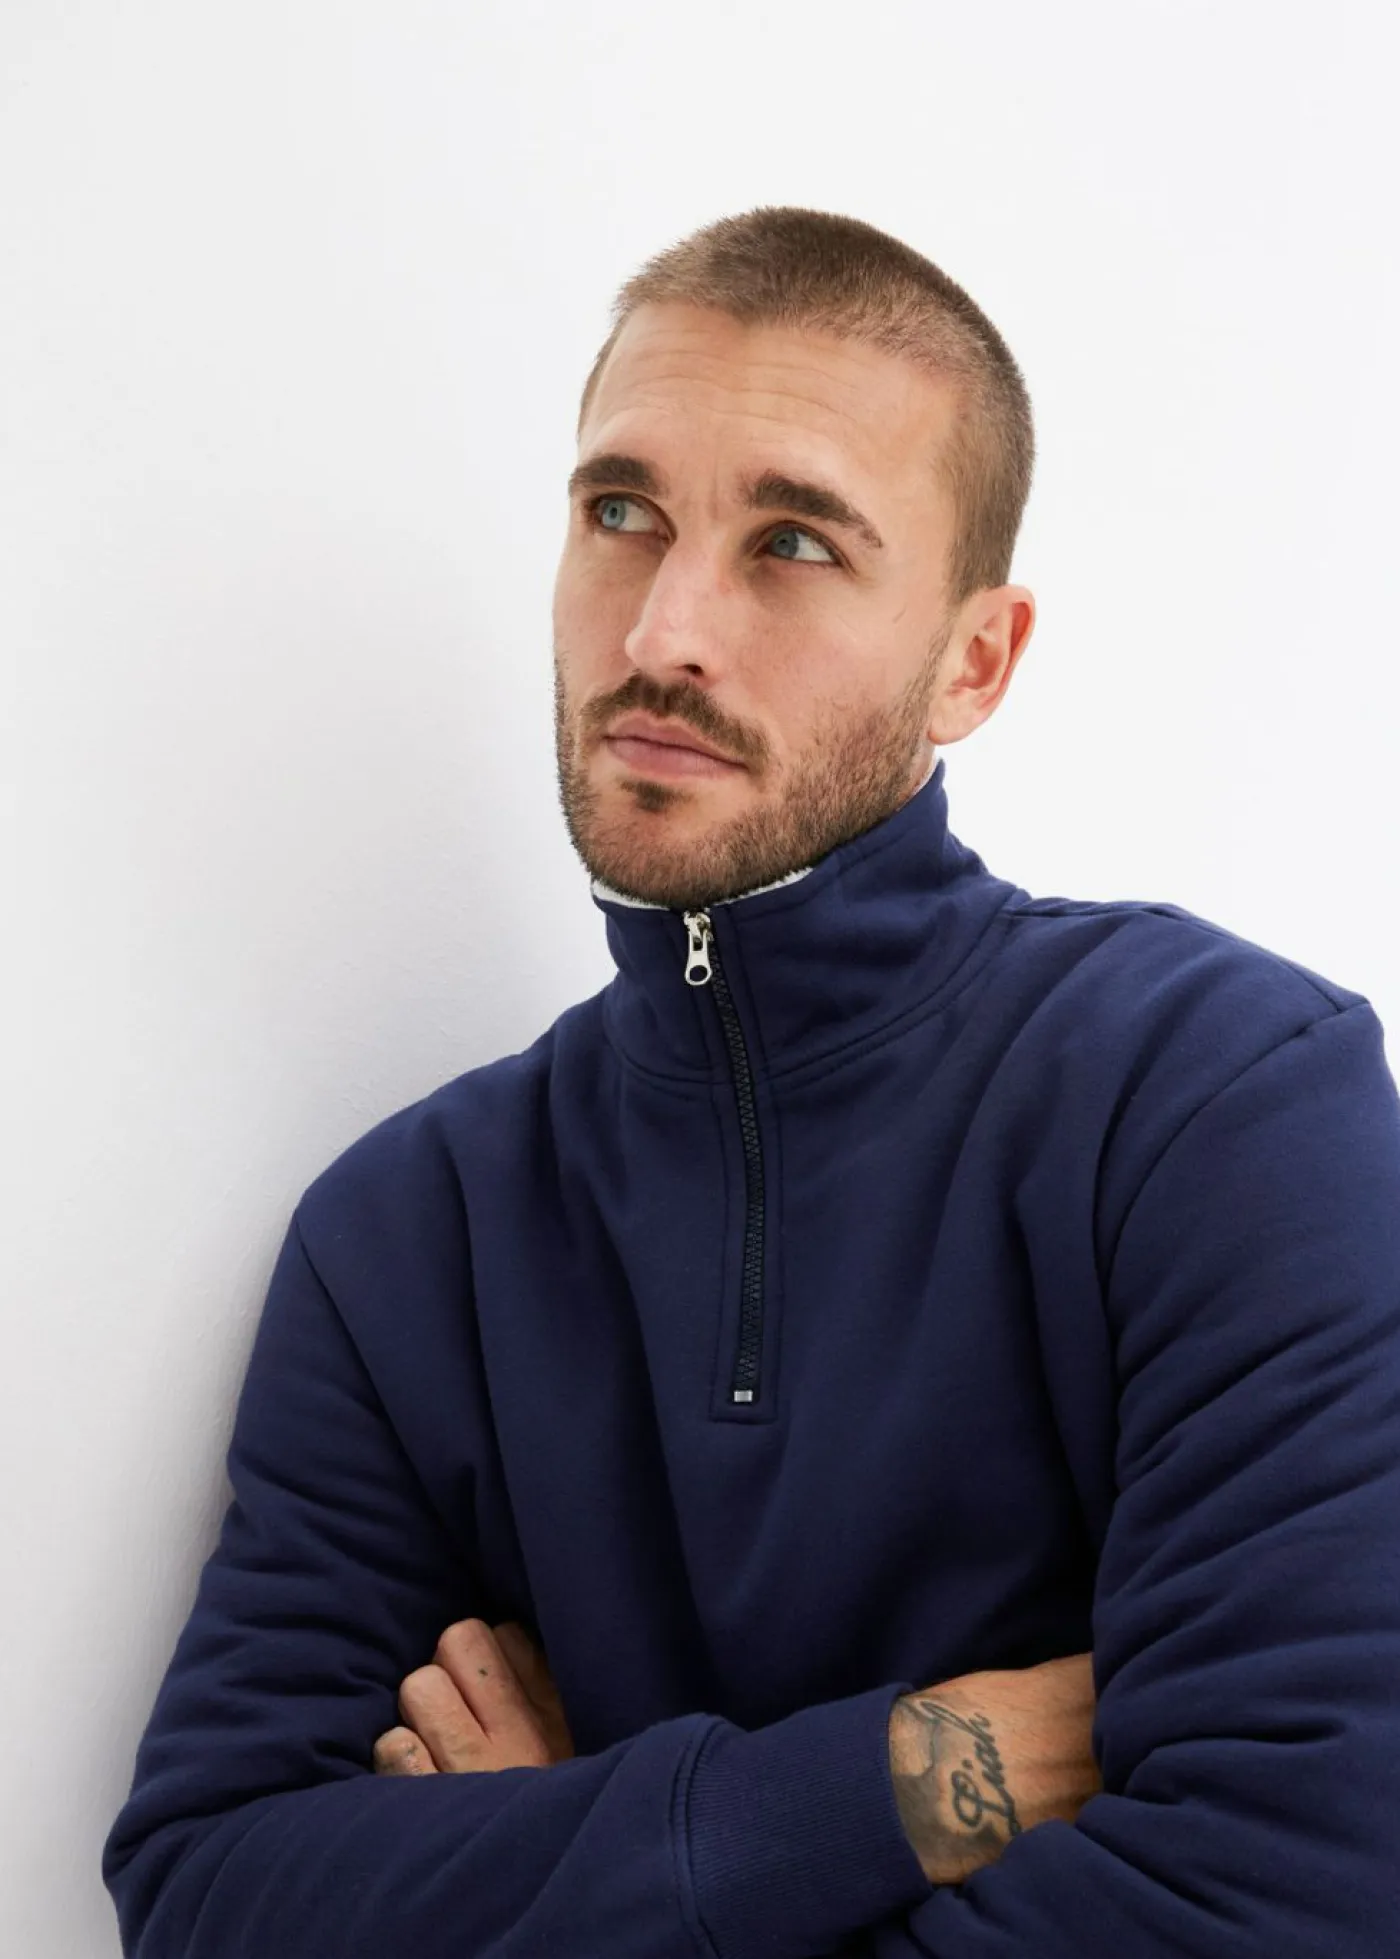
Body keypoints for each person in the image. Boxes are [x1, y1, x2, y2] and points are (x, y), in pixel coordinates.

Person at [101, 206, 1400, 1958]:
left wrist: (571, 1858)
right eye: (619, 512)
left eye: (792, 541)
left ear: (975, 661)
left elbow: (1300, 1893)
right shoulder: (409, 1231)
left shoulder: (1221, 1102)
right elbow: (210, 1892)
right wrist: (917, 1776)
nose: (665, 629)